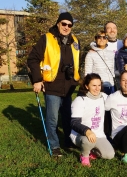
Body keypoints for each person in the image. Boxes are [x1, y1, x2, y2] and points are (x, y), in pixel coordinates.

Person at [27, 12, 80, 157]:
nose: (66, 27)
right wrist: (37, 80)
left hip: (69, 86)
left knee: (68, 116)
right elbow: (32, 59)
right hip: (52, 85)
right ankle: (55, 146)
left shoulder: (75, 41)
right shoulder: (46, 38)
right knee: (52, 119)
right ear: (58, 23)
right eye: (64, 24)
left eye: (69, 25)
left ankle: (69, 142)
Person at [70, 73, 115, 167]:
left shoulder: (104, 97)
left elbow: (118, 99)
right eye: (94, 85)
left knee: (110, 155)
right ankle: (84, 156)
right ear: (86, 86)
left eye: (99, 85)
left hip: (99, 135)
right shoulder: (80, 100)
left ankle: (92, 152)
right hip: (81, 135)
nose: (97, 88)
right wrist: (87, 131)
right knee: (88, 141)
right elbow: (74, 123)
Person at [85, 30, 116, 95]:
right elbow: (87, 73)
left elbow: (113, 70)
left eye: (104, 37)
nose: (102, 39)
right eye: (99, 37)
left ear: (107, 40)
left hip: (111, 86)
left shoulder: (111, 54)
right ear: (96, 39)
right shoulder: (90, 54)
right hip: (98, 87)